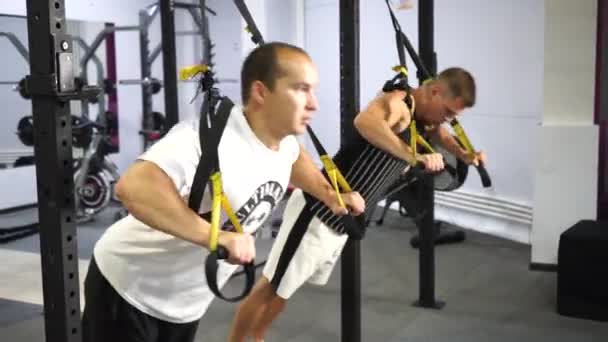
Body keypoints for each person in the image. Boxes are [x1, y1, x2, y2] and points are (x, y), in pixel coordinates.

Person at [80, 42, 364, 342]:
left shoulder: (284, 143)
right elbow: (133, 187)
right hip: (129, 286)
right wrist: (215, 237)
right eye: (301, 89)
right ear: (261, 92)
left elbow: (294, 160)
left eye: (313, 90)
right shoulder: (207, 139)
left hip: (184, 302)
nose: (313, 103)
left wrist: (331, 196)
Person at [228, 67, 485, 342]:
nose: (446, 119)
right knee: (271, 286)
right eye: (447, 112)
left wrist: (464, 154)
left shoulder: (426, 119)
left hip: (342, 217)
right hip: (319, 208)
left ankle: (257, 337)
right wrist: (413, 157)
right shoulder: (397, 104)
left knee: (285, 288)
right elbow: (365, 122)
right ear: (434, 91)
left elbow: (439, 134)